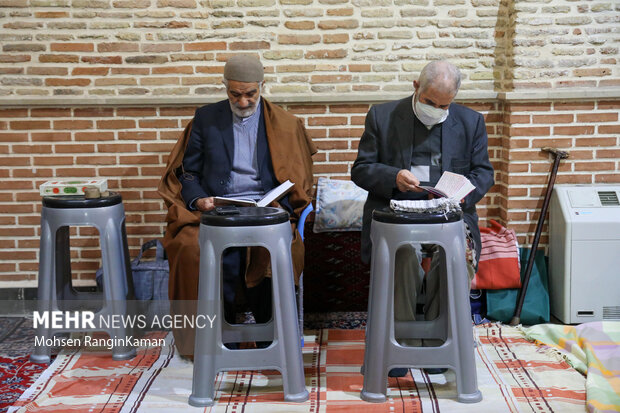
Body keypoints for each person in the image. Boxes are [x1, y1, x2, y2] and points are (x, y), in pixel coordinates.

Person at [158, 54, 316, 356]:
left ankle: (271, 337)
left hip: (266, 209)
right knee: (190, 248)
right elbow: (187, 172)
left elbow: (296, 179)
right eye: (235, 94)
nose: (243, 102)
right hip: (218, 209)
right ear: (225, 87)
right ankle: (210, 340)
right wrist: (197, 198)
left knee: (273, 250)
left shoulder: (283, 123)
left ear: (261, 87)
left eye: (250, 94)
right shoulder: (207, 118)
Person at [351, 60, 494, 376]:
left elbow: (484, 172)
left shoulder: (470, 122)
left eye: (445, 105)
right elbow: (360, 169)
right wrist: (393, 176)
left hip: (450, 217)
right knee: (401, 256)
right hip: (396, 217)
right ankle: (398, 347)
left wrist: (461, 194)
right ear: (416, 87)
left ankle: (437, 346)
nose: (437, 110)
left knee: (455, 258)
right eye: (431, 102)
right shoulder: (383, 116)